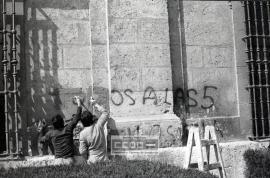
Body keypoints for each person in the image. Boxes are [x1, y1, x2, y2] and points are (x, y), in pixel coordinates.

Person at [79, 97, 109, 164]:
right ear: (92, 119)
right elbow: (105, 113)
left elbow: (82, 151)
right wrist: (95, 104)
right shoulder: (99, 125)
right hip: (104, 159)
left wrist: (86, 159)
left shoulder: (82, 134)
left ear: (82, 122)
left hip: (92, 160)